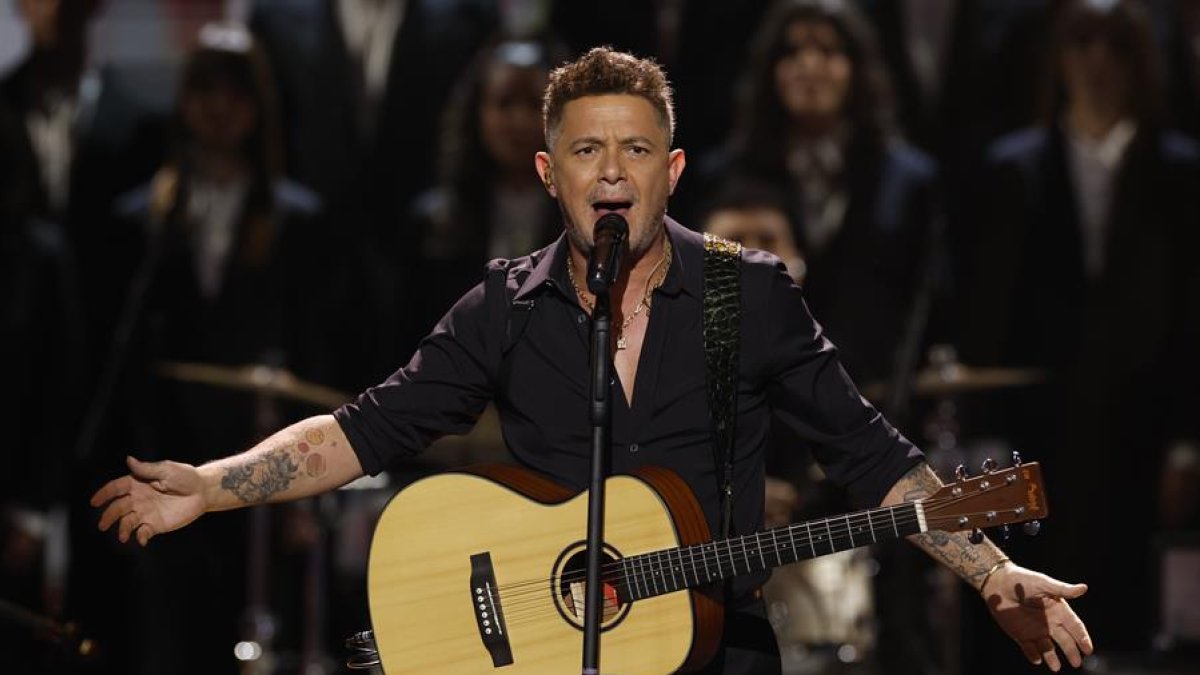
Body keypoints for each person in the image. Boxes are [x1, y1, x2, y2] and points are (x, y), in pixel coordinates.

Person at [91, 47, 1093, 674]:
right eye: (585, 150)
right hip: (531, 650)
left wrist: (993, 570)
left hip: (713, 650)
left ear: (673, 170)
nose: (612, 169)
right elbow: (362, 431)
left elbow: (871, 454)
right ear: (547, 174)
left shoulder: (747, 294)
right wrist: (212, 489)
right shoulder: (503, 305)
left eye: (637, 149)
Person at [962, 0, 1200, 659]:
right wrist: (985, 423)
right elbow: (988, 307)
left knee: (1132, 599)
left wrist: (1187, 434)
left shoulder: (1180, 170)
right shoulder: (1015, 167)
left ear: (1141, 61)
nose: (1098, 61)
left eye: (1116, 45)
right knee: (1035, 595)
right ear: (1059, 57)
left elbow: (1191, 314)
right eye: (1083, 43)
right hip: (1039, 413)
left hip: (1145, 415)